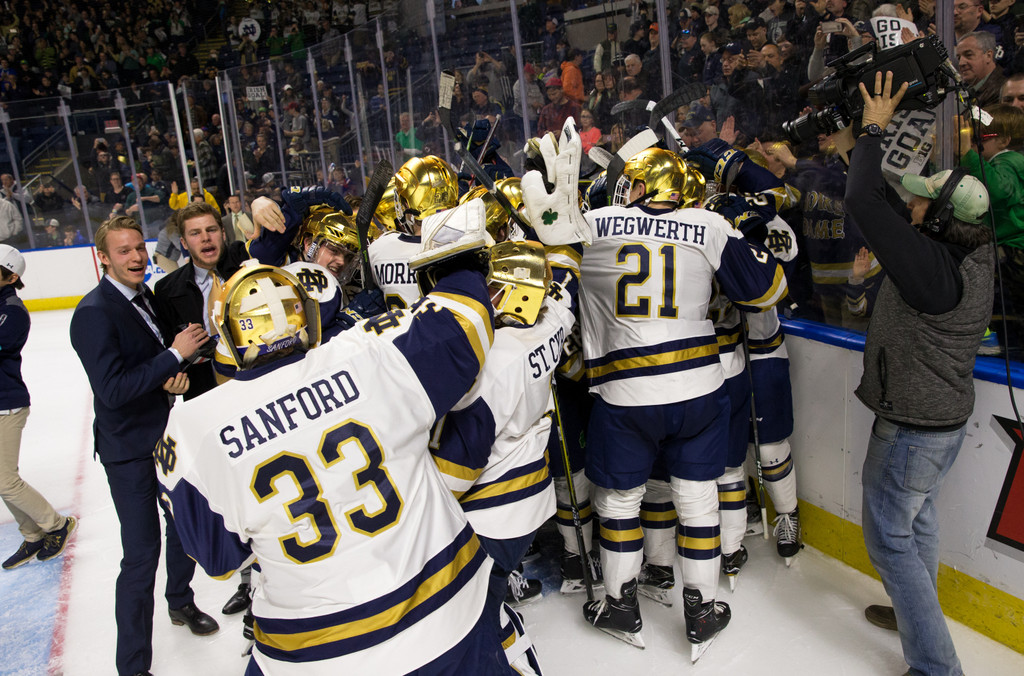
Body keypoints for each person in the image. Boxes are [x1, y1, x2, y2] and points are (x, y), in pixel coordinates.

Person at [155, 203, 508, 675]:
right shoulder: (367, 351)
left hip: (310, 650)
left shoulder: (192, 430)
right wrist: (458, 260)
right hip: (444, 613)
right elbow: (465, 321)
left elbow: (220, 560)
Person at [534, 146, 786, 660]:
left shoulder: (595, 222)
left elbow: (544, 287)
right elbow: (769, 288)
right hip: (699, 388)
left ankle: (620, 604)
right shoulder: (707, 223)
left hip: (625, 395)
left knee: (619, 502)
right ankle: (702, 608)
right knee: (698, 498)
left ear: (640, 186)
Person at [847, 72, 994, 676]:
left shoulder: (933, 270)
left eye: (919, 200)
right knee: (919, 519)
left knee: (887, 538)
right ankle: (916, 610)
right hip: (939, 422)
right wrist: (862, 146)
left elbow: (862, 202)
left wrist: (874, 129)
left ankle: (936, 667)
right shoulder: (970, 247)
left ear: (936, 219)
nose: (909, 203)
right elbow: (881, 201)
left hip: (912, 430)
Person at [69, 216, 218, 676]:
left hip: (165, 436)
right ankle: (132, 667)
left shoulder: (144, 297)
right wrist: (173, 355)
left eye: (139, 247)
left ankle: (180, 602)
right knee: (140, 555)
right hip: (129, 450)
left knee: (182, 527)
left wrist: (170, 379)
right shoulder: (94, 312)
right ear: (105, 259)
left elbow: (147, 368)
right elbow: (112, 390)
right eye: (124, 251)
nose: (135, 257)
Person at [1, 245, 77, 570]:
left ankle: (56, 524)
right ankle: (32, 533)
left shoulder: (13, 310)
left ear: (11, 276)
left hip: (8, 405)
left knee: (6, 481)